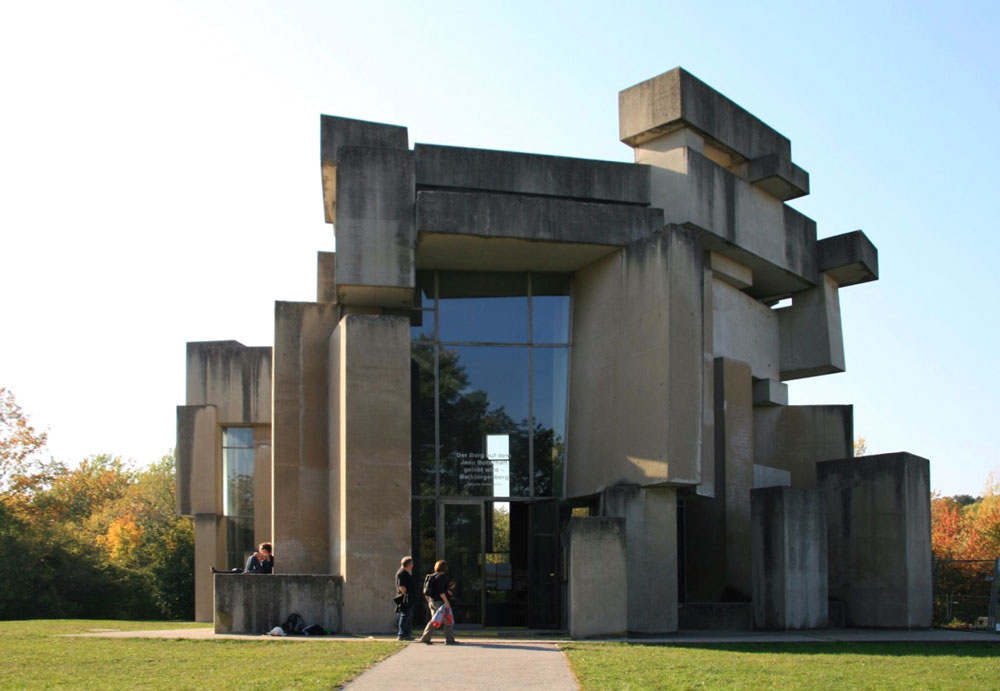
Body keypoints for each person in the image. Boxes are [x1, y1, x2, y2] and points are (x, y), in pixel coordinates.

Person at [418, 560, 458, 645]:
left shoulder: (432, 576)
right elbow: (441, 591)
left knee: (435, 620)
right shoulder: (442, 577)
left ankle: (426, 637)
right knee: (448, 619)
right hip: (440, 601)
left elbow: (427, 591)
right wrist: (446, 601)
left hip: (432, 601)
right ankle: (449, 639)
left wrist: (429, 600)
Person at [394, 556, 415, 641]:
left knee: (408, 615)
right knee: (405, 615)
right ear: (409, 565)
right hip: (405, 598)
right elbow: (401, 586)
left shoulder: (404, 573)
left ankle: (407, 634)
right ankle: (402, 634)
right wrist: (406, 594)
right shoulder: (402, 573)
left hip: (409, 597)